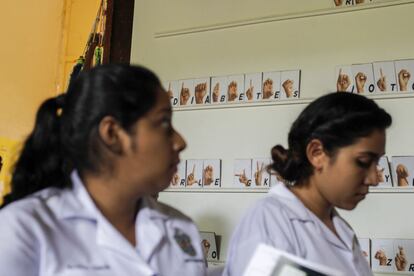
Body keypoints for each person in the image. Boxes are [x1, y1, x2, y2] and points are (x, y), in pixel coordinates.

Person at [0, 64, 207, 276]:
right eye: (164, 123)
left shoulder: (180, 229)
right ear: (112, 134)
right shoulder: (23, 229)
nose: (180, 142)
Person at [224, 92, 392, 276]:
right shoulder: (270, 221)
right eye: (363, 161)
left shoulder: (341, 229)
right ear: (317, 153)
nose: (374, 179)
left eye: (377, 163)